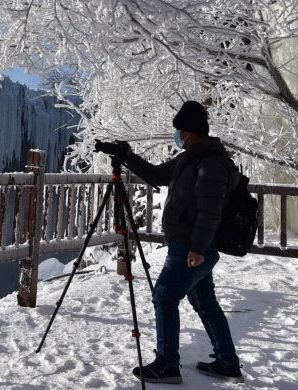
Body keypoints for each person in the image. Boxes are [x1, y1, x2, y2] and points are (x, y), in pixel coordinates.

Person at [96, 100, 243, 385]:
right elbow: (159, 176)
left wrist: (198, 249)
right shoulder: (190, 157)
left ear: (190, 131)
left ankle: (167, 363)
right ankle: (226, 361)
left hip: (192, 246)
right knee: (204, 300)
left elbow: (210, 210)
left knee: (164, 295)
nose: (177, 135)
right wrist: (127, 155)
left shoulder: (211, 163)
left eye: (179, 130)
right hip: (190, 244)